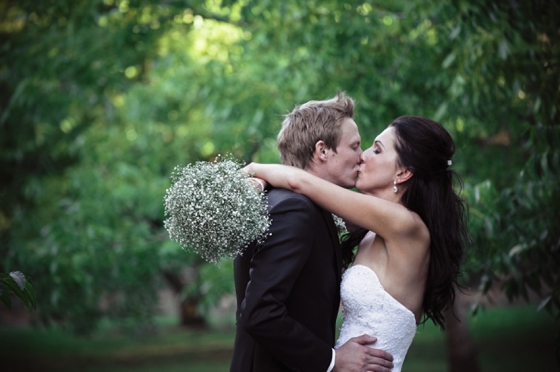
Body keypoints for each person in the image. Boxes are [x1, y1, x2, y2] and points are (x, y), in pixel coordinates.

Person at [243, 116, 469, 372]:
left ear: (403, 172)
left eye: (377, 149)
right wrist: (264, 183)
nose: (363, 156)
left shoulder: (406, 226)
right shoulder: (373, 231)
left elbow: (301, 182)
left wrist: (253, 170)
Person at [230, 93, 394, 372]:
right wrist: (332, 359)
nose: (361, 156)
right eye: (354, 146)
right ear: (322, 150)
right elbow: (259, 314)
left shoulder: (293, 203)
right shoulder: (294, 211)